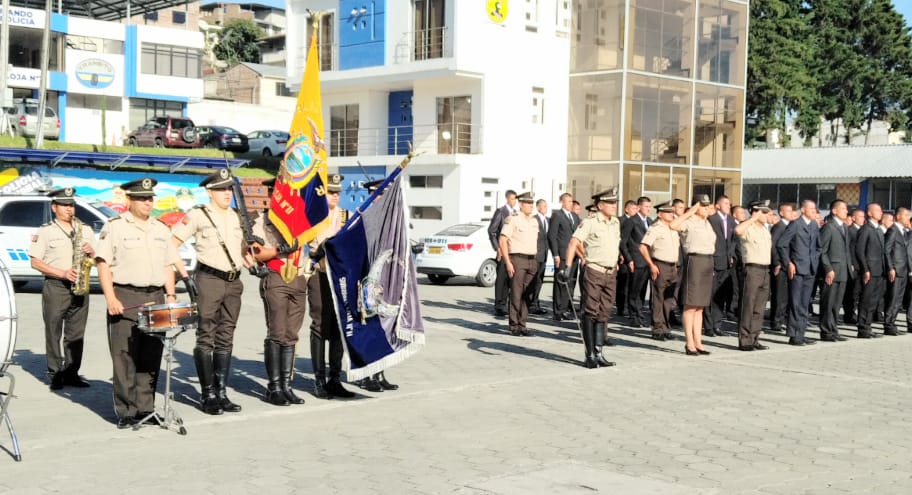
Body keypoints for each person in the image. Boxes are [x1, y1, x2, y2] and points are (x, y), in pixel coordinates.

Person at [95, 178, 180, 429]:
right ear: (129, 200)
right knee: (125, 356)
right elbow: (103, 264)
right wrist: (111, 298)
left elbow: (168, 265)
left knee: (151, 355)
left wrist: (171, 296)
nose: (147, 203)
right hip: (126, 295)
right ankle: (126, 411)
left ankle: (146, 408)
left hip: (156, 296)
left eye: (150, 198)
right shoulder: (115, 227)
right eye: (142, 199)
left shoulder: (161, 228)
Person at [171, 169, 248, 415]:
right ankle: (208, 394)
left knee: (226, 335)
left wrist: (251, 261)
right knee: (206, 335)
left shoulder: (238, 216)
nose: (227, 193)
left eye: (229, 189)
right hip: (209, 279)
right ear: (209, 192)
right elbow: (172, 243)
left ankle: (221, 392)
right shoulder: (198, 214)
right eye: (221, 189)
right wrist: (184, 276)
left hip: (233, 282)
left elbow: (242, 249)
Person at [250, 177, 314, 406]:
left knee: (291, 334)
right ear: (272, 195)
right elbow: (257, 253)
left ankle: (286, 386)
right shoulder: (261, 220)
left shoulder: (300, 217)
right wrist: (280, 249)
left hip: (297, 277)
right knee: (277, 332)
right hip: (276, 275)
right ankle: (274, 387)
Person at [28, 187, 95, 390]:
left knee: (76, 334)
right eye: (64, 205)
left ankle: (72, 373)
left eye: (71, 205)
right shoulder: (46, 231)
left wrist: (92, 252)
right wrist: (62, 273)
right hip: (56, 286)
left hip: (81, 285)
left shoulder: (85, 229)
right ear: (54, 207)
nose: (69, 209)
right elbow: (35, 262)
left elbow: (97, 258)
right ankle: (55, 373)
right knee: (53, 331)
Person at [561, 189, 621, 368]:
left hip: (610, 273)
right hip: (594, 271)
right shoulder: (590, 222)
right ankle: (590, 355)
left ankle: (599, 352)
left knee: (604, 312)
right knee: (590, 311)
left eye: (614, 203)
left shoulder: (615, 222)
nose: (614, 206)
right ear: (600, 205)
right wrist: (568, 266)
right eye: (610, 203)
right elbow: (573, 242)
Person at [350, 177, 399, 393]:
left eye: (384, 194)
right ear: (371, 194)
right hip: (365, 278)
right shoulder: (362, 216)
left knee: (382, 327)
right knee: (366, 327)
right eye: (379, 194)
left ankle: (379, 372)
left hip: (383, 280)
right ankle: (365, 374)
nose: (382, 197)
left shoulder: (388, 219)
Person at [669, 195, 715, 356]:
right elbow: (673, 225)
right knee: (691, 305)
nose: (706, 209)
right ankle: (689, 343)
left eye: (707, 206)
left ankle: (698, 342)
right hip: (694, 261)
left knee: (700, 306)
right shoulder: (689, 221)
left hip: (708, 261)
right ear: (696, 207)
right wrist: (690, 212)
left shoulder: (707, 222)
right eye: (703, 206)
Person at [777, 199, 821, 346]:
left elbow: (819, 247)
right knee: (795, 302)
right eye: (811, 209)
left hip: (810, 269)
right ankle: (794, 335)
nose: (814, 211)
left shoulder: (814, 225)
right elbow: (782, 244)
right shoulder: (795, 224)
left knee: (804, 303)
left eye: (815, 209)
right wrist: (788, 263)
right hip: (797, 269)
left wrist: (814, 259)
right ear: (803, 210)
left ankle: (801, 333)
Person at [499, 192, 540, 336]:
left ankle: (523, 324)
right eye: (528, 203)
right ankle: (514, 325)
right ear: (521, 205)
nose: (531, 206)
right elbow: (502, 240)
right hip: (518, 259)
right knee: (516, 293)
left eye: (532, 203)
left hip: (532, 260)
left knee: (527, 294)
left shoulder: (534, 221)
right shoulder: (513, 219)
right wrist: (508, 262)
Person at [734, 200, 772, 351]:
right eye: (764, 212)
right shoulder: (748, 227)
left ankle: (755, 337)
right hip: (752, 269)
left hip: (765, 270)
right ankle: (745, 340)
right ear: (755, 212)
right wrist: (753, 218)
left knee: (759, 307)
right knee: (748, 306)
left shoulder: (765, 229)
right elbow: (737, 230)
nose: (767, 215)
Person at [638, 201, 679, 341]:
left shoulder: (673, 227)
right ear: (660, 214)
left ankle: (666, 327)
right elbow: (643, 247)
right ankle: (657, 329)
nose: (671, 214)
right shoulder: (655, 228)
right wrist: (651, 265)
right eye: (668, 212)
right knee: (658, 298)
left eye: (672, 212)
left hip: (672, 266)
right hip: (660, 265)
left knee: (668, 299)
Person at [818, 199, 851, 342]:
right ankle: (826, 332)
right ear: (834, 211)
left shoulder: (844, 227)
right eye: (843, 209)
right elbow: (822, 251)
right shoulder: (828, 227)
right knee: (828, 303)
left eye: (846, 209)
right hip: (831, 272)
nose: (846, 211)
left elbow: (846, 250)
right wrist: (828, 269)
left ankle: (833, 330)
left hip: (842, 271)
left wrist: (849, 265)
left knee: (836, 304)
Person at [705, 195, 736, 337]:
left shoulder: (731, 220)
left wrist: (731, 255)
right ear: (717, 205)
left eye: (729, 204)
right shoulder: (711, 220)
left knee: (721, 295)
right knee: (710, 295)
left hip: (726, 262)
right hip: (714, 261)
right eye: (725, 203)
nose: (728, 206)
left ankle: (717, 324)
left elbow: (733, 240)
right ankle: (708, 326)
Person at [855, 202, 886, 339]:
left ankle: (868, 326)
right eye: (877, 210)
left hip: (879, 270)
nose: (881, 212)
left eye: (881, 210)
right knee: (866, 300)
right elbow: (860, 251)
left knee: (873, 300)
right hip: (870, 270)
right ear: (869, 213)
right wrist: (865, 269)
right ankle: (862, 328)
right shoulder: (865, 229)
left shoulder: (878, 229)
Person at [620, 196, 652, 327]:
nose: (648, 209)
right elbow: (623, 242)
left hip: (647, 260)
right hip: (636, 260)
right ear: (639, 207)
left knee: (642, 290)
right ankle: (633, 316)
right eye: (646, 206)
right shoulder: (631, 221)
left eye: (650, 207)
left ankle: (640, 314)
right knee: (634, 290)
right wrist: (629, 259)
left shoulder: (649, 221)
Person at [548, 193, 580, 321]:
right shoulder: (557, 215)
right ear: (562, 202)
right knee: (560, 282)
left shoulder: (575, 216)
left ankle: (564, 309)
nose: (571, 204)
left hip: (574, 255)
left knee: (570, 282)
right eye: (568, 201)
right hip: (562, 255)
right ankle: (557, 311)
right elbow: (552, 236)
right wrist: (555, 254)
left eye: (572, 201)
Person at [487, 190, 518, 317]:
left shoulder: (516, 213)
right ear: (507, 199)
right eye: (512, 199)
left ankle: (508, 305)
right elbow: (492, 231)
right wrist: (497, 248)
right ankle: (499, 305)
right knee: (502, 280)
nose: (514, 201)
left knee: (511, 280)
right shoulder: (501, 212)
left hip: (513, 251)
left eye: (516, 199)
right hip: (502, 250)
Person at [769, 203, 797, 332]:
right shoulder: (779, 227)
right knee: (779, 295)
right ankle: (776, 321)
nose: (791, 213)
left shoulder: (790, 226)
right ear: (781, 213)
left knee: (786, 295)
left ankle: (782, 318)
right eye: (788, 211)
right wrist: (777, 263)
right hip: (781, 266)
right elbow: (773, 246)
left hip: (788, 264)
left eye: (792, 211)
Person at [883, 207, 910, 336]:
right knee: (893, 298)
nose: (908, 218)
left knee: (898, 300)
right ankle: (888, 325)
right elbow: (886, 250)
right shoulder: (893, 230)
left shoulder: (903, 232)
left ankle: (892, 323)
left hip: (903, 270)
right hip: (896, 270)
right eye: (906, 215)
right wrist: (890, 268)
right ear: (898, 216)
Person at [842, 209, 866, 324]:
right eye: (860, 216)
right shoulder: (850, 230)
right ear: (853, 218)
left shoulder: (862, 230)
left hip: (861, 265)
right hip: (853, 265)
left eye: (863, 217)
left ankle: (854, 313)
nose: (863, 219)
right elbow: (847, 248)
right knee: (851, 292)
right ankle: (849, 314)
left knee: (858, 291)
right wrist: (850, 262)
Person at [615, 200, 638, 317]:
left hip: (633, 255)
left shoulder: (637, 221)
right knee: (622, 284)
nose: (635, 211)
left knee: (632, 284)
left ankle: (630, 308)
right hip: (623, 256)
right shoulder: (620, 221)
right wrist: (620, 254)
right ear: (626, 209)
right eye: (633, 208)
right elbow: (618, 239)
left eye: (636, 208)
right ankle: (620, 307)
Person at [529, 199, 550, 315]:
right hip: (535, 254)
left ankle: (535, 302)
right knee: (533, 279)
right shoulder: (534, 219)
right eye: (543, 206)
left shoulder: (547, 220)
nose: (545, 208)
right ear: (538, 207)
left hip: (544, 255)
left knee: (540, 280)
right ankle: (530, 303)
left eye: (546, 206)